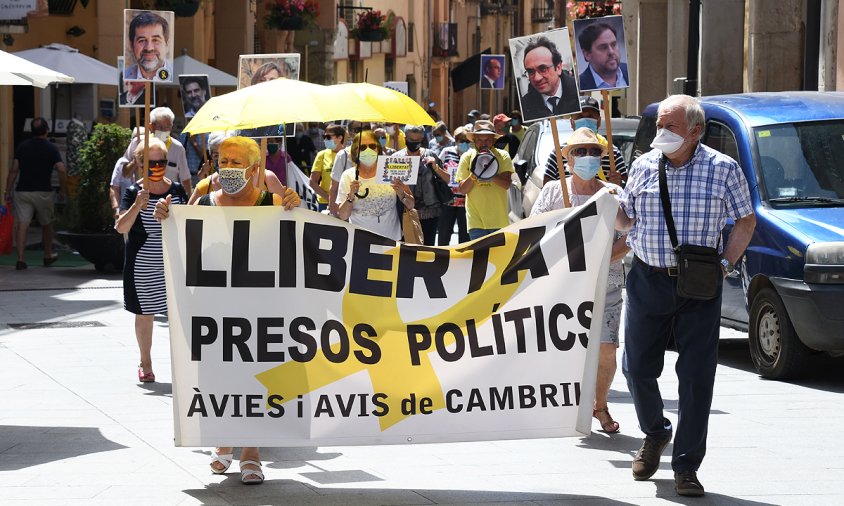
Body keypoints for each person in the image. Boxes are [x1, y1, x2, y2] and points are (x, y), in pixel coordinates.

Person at [616, 95, 756, 497]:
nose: (661, 133)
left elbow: (746, 220)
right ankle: (656, 432)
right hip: (647, 279)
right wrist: (612, 204)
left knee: (696, 379)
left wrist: (726, 264)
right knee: (637, 368)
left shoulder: (723, 168)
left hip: (699, 285)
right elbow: (627, 220)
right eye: (659, 125)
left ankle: (686, 466)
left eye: (671, 127)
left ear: (696, 131)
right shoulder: (643, 165)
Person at [153, 136, 301, 486]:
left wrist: (295, 209)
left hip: (260, 308)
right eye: (224, 161)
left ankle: (251, 452)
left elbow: (296, 246)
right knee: (215, 375)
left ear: (254, 169)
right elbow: (180, 233)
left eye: (237, 163)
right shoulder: (203, 202)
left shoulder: (272, 202)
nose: (229, 168)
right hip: (213, 308)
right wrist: (165, 215)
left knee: (254, 376)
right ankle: (222, 441)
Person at [530, 127, 628, 434]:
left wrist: (601, 258)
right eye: (579, 152)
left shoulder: (612, 193)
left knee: (606, 348)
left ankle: (600, 405)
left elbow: (630, 236)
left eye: (594, 152)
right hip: (563, 287)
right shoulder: (551, 193)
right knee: (567, 349)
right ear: (566, 158)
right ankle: (567, 405)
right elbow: (533, 234)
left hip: (606, 283)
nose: (587, 157)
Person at [115, 137, 188, 383]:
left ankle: (185, 364)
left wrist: (169, 215)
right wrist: (137, 206)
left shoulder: (177, 190)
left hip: (173, 264)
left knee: (181, 316)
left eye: (163, 162)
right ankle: (145, 362)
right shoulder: (135, 192)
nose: (158, 167)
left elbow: (189, 224)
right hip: (143, 265)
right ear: (139, 163)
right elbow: (120, 227)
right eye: (152, 163)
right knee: (145, 314)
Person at [4, 118, 67, 270]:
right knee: (46, 224)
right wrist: (63, 189)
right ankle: (47, 255)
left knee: (22, 224)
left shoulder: (22, 147)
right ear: (46, 131)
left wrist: (7, 190)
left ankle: (20, 258)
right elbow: (61, 169)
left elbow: (14, 170)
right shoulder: (51, 148)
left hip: (23, 191)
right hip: (44, 192)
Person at [336, 129, 415, 241]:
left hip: (391, 242)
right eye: (362, 147)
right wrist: (351, 196)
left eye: (372, 146)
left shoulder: (390, 171)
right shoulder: (348, 176)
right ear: (355, 151)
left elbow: (411, 205)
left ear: (378, 148)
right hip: (361, 243)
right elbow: (343, 215)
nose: (368, 150)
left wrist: (402, 194)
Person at [543, 96, 627, 186]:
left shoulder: (613, 153)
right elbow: (547, 189)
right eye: (580, 116)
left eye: (591, 116)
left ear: (598, 122)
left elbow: (626, 188)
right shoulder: (559, 153)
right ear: (572, 122)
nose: (585, 120)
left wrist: (619, 183)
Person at [456, 120, 514, 240]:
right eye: (479, 140)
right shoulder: (466, 157)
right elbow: (462, 190)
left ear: (493, 140)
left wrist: (490, 173)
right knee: (480, 258)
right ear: (474, 140)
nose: (484, 143)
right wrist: (475, 174)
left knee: (498, 258)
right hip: (476, 222)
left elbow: (506, 184)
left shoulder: (503, 156)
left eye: (487, 139)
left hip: (499, 221)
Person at [115, 107, 192, 196]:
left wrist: (188, 203)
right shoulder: (138, 143)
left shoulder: (178, 148)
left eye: (168, 127)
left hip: (169, 199)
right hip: (142, 198)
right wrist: (135, 162)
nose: (164, 131)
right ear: (151, 126)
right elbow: (125, 174)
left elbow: (185, 179)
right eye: (160, 127)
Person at [395, 125, 450, 245]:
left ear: (422, 139)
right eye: (411, 140)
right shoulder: (396, 158)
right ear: (405, 138)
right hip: (405, 212)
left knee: (428, 249)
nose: (414, 143)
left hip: (430, 213)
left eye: (418, 141)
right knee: (407, 249)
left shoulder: (430, 154)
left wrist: (435, 167)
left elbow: (448, 179)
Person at [518, 36, 580, 121]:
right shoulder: (525, 105)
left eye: (543, 69)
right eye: (530, 71)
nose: (537, 78)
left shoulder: (579, 93)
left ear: (558, 67)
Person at [437, 126, 471, 245]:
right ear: (456, 141)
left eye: (468, 141)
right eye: (463, 141)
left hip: (466, 201)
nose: (466, 144)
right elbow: (438, 169)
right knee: (444, 234)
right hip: (448, 200)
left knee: (465, 237)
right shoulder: (446, 152)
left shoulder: (472, 154)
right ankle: (441, 260)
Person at [577, 22, 629, 90]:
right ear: (587, 54)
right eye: (603, 47)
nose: (611, 52)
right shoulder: (579, 86)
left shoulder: (631, 71)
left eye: (613, 45)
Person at [123, 11, 172, 81]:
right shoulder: (123, 78)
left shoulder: (177, 77)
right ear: (131, 45)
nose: (149, 48)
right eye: (142, 40)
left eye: (155, 40)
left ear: (167, 44)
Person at [310, 124, 346, 211]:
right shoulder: (321, 155)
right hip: (324, 202)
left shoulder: (348, 155)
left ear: (340, 138)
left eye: (328, 137)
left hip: (344, 202)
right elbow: (312, 182)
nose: (325, 139)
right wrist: (330, 199)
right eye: (324, 136)